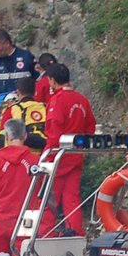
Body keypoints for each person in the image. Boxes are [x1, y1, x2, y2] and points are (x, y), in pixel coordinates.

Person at [43, 63, 95, 234]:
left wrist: (47, 160)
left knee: (49, 201)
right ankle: (77, 237)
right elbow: (90, 129)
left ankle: (45, 236)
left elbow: (54, 132)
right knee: (72, 200)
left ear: (52, 80)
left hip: (58, 158)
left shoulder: (56, 101)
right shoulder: (82, 100)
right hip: (76, 156)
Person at [0, 117, 40, 256]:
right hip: (27, 221)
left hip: (0, 220)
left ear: (6, 136)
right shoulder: (37, 161)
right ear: (25, 136)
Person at [0, 28, 37, 101]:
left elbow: (37, 81)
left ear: (7, 44)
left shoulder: (27, 58)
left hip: (24, 104)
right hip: (1, 105)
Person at [0, 76, 46, 151]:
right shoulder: (45, 107)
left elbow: (1, 137)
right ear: (35, 92)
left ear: (18, 92)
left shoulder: (12, 110)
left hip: (21, 156)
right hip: (45, 154)